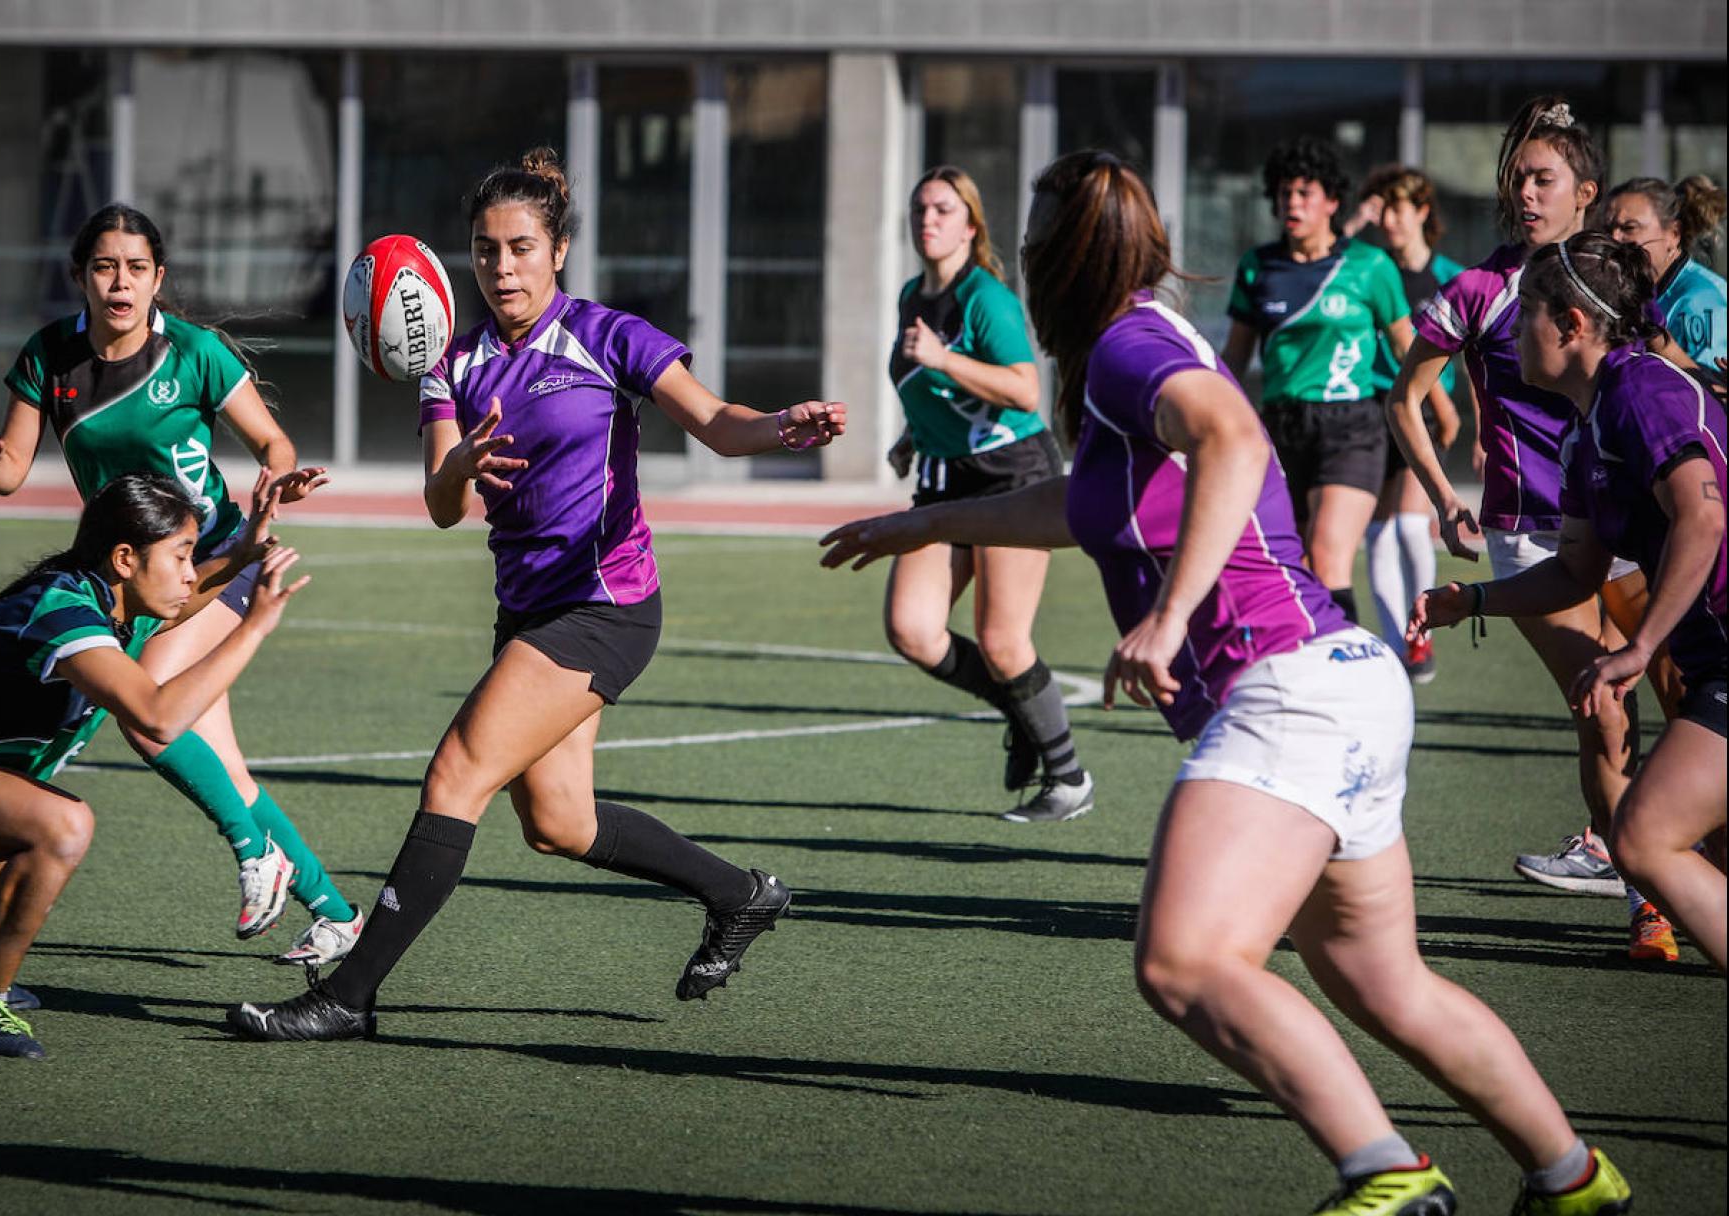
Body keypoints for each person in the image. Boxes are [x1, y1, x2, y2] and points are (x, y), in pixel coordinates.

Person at [820, 149, 1629, 1216]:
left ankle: (1388, 1172)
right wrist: (918, 523)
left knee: (1185, 960)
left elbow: (1234, 437)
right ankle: (1575, 1178)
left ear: (1058, 253)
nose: (1019, 249)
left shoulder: (1124, 346)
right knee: (1382, 984)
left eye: (1030, 231)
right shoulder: (1133, 350)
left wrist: (1165, 615)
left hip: (1286, 688)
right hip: (1340, 682)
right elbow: (1083, 507)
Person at [226, 148, 846, 1041]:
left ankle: (347, 996)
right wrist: (463, 466)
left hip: (606, 605)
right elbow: (444, 506)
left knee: (457, 773)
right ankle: (741, 895)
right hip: (527, 610)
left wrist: (782, 425)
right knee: (558, 822)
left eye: (520, 247)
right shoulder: (453, 359)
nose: (501, 267)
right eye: (485, 250)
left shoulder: (606, 336)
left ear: (557, 251)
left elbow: (714, 424)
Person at [0, 204, 362, 966]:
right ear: (80, 274)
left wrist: (277, 483)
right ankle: (337, 914)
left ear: (158, 279)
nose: (120, 281)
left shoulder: (195, 353)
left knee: (149, 711)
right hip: (132, 584)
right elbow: (12, 473)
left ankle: (254, 852)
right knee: (210, 757)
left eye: (137, 268)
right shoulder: (49, 356)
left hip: (217, 560)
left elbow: (272, 441)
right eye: (105, 266)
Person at [0, 473, 307, 1058]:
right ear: (124, 558)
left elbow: (180, 601)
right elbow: (158, 717)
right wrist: (256, 625)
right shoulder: (64, 611)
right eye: (182, 554)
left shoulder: (115, 598)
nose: (193, 571)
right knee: (62, 826)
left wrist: (242, 552)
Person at [1386, 96, 1684, 962]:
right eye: (1516, 178)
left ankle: (1666, 853)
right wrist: (1445, 497)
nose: (1525, 194)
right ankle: (1646, 897)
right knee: (1605, 708)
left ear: (1584, 193)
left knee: (1684, 693)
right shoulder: (1479, 289)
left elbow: (1662, 383)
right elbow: (1405, 401)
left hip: (1630, 525)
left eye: (1543, 179)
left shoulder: (1609, 279)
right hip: (1531, 535)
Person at [1413, 232, 1726, 971]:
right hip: (1715, 664)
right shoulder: (1586, 428)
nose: (1513, 332)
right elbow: (1577, 572)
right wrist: (1474, 598)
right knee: (1658, 839)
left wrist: (1640, 647)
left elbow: (1704, 517)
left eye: (1526, 317)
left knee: (1646, 839)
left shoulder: (1638, 391)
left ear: (1573, 326)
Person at [882, 165, 1092, 822]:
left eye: (943, 210)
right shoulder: (913, 294)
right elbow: (933, 391)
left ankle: (1069, 778)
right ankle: (1019, 708)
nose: (928, 220)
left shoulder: (988, 298)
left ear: (972, 225)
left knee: (1003, 641)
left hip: (1012, 473)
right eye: (920, 209)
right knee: (912, 629)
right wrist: (913, 437)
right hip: (945, 476)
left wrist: (944, 359)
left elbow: (1025, 390)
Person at [1222, 135, 1416, 627]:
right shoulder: (1257, 267)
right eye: (1285, 193)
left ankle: (1355, 672)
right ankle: (1310, 664)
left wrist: (1453, 412)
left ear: (1331, 201)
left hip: (1351, 426)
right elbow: (1234, 360)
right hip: (1282, 429)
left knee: (1329, 559)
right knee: (1295, 565)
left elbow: (1409, 348)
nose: (1292, 202)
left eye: (1305, 193)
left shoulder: (1369, 267)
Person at [1357, 166, 1468, 682]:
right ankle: (1396, 644)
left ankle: (1420, 635)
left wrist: (1472, 422)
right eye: (1382, 212)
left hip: (1422, 410)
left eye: (1397, 209)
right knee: (1378, 535)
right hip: (1368, 408)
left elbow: (1473, 358)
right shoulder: (1371, 268)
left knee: (1405, 526)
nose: (1390, 222)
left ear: (1422, 211)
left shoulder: (1449, 276)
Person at [1606, 174, 1728, 368]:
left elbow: (1710, 392)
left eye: (1629, 228)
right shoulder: (1627, 289)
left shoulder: (1702, 300)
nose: (1613, 239)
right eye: (1607, 229)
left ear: (1673, 234)